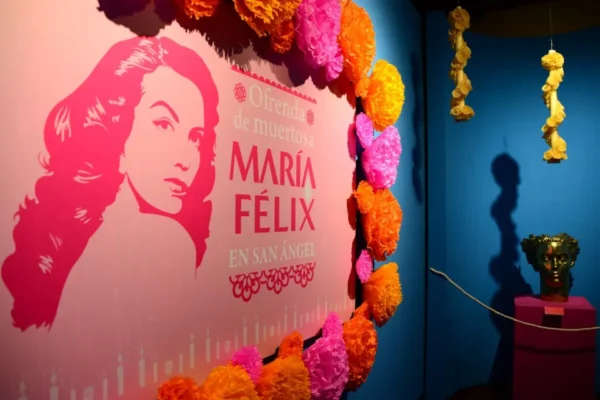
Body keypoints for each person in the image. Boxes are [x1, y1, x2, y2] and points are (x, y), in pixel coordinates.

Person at [1, 36, 219, 332]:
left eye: (195, 138)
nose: (186, 160)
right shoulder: (165, 238)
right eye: (163, 124)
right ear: (118, 126)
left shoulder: (94, 236)